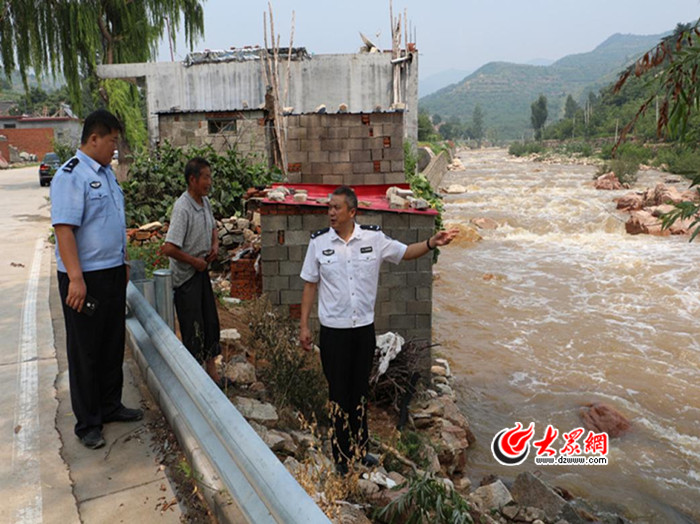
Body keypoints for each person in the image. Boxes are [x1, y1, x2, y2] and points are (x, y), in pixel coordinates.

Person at [299, 185, 458, 474]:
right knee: (338, 394)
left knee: (359, 392)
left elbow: (406, 252)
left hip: (363, 332)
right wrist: (304, 325)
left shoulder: (373, 238)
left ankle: (360, 450)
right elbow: (310, 284)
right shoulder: (319, 243)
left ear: (352, 211)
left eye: (336, 208)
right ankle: (341, 457)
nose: (331, 212)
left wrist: (431, 242)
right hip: (333, 333)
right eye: (329, 207)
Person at [51, 109, 143, 450]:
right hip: (84, 278)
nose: (114, 149)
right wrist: (75, 278)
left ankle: (110, 404)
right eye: (112, 142)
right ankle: (88, 422)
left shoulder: (106, 174)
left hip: (112, 273)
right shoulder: (70, 176)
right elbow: (65, 229)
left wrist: (123, 262)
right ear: (94, 139)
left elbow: (112, 224)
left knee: (110, 343)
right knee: (85, 350)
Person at [162, 157, 224, 386]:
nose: (209, 182)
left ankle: (211, 372)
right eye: (205, 177)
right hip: (186, 278)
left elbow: (213, 228)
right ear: (192, 179)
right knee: (192, 326)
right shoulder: (183, 208)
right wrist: (193, 262)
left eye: (210, 176)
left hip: (201, 272)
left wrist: (214, 244)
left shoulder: (204, 202)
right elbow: (168, 248)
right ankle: (194, 380)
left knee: (210, 321)